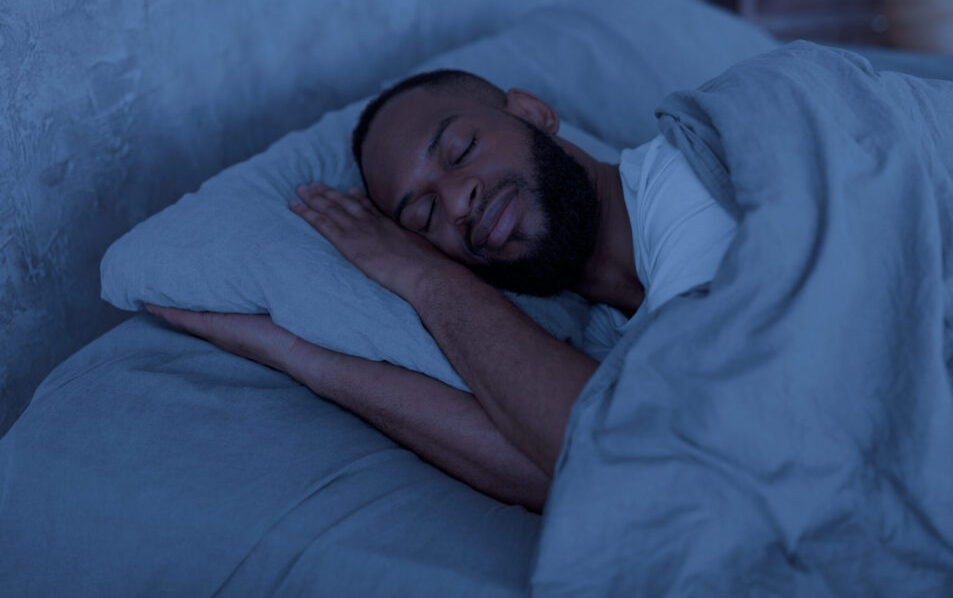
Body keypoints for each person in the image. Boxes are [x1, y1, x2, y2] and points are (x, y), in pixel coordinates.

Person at [147, 69, 737, 512]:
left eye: (460, 150)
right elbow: (555, 460)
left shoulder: (690, 182)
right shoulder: (608, 333)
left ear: (533, 113)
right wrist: (298, 354)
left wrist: (429, 279)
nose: (457, 203)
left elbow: (631, 451)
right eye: (423, 217)